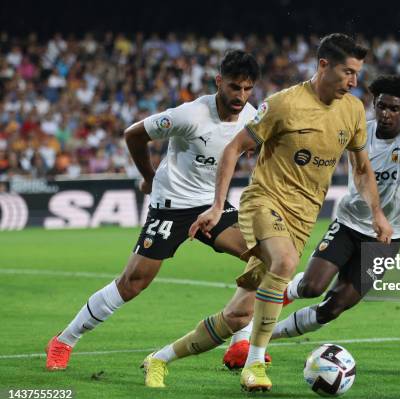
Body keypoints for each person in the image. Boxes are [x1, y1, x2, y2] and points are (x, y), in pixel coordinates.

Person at [142, 33, 393, 392]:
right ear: (324, 65)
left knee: (237, 315)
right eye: (348, 72)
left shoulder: (352, 110)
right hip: (264, 202)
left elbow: (363, 168)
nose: (354, 81)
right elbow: (233, 150)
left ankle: (159, 359)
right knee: (287, 262)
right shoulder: (283, 104)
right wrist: (217, 206)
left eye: (357, 73)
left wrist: (378, 214)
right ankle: (255, 366)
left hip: (303, 217)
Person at [45, 50, 261, 370]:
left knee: (259, 257)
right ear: (219, 82)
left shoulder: (252, 116)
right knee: (133, 283)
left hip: (210, 205)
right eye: (233, 87)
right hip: (171, 206)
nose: (240, 96)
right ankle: (64, 340)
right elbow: (133, 134)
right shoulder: (189, 115)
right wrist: (148, 176)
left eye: (247, 89)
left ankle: (240, 343)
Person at [234, 75, 400, 343]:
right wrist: (266, 141)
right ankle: (257, 320)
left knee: (334, 307)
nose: (386, 114)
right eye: (381, 106)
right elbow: (319, 136)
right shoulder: (361, 132)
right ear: (374, 105)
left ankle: (266, 336)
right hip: (349, 223)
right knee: (311, 287)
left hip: (388, 236)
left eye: (394, 109)